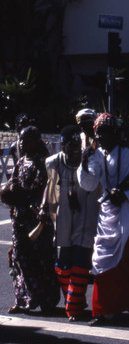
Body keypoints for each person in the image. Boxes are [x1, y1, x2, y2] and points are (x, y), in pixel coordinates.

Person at [77, 113, 129, 326]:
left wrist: (126, 194)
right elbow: (90, 183)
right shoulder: (97, 155)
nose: (101, 137)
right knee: (102, 259)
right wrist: (84, 163)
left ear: (115, 133)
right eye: (98, 133)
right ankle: (105, 311)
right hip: (108, 215)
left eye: (105, 133)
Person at [40, 125, 102, 321]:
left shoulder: (92, 160)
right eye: (71, 145)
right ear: (63, 146)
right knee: (63, 264)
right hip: (65, 215)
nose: (76, 148)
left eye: (78, 144)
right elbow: (50, 188)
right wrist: (44, 207)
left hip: (87, 214)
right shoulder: (53, 163)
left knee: (81, 262)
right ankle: (75, 300)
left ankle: (73, 308)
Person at [1, 126, 60, 314]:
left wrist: (21, 194)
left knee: (40, 259)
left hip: (36, 219)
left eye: (25, 139)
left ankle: (45, 300)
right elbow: (14, 183)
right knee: (19, 257)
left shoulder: (43, 163)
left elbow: (44, 189)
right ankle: (23, 299)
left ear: (36, 141)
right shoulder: (20, 162)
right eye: (20, 139)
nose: (21, 143)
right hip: (19, 217)